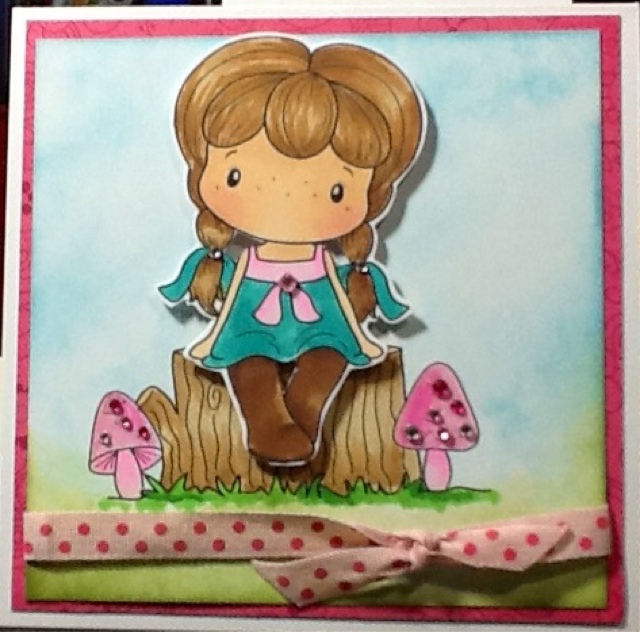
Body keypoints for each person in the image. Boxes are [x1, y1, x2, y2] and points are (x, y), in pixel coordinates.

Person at [160, 36, 425, 466]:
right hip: (250, 324)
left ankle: (302, 413)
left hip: (321, 321)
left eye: (336, 190)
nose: (285, 200)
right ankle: (265, 419)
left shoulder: (336, 265)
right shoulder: (234, 262)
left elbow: (354, 292)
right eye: (236, 176)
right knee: (248, 359)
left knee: (331, 354)